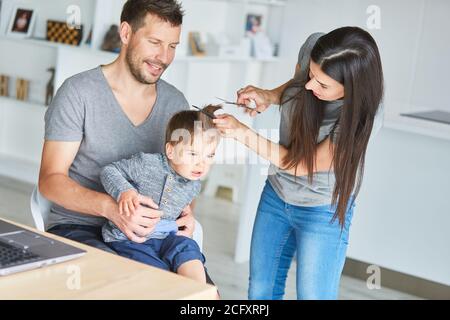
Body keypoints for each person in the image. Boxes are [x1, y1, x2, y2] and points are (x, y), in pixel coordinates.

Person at [39, 0, 214, 284]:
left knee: (202, 294)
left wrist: (185, 214)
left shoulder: (176, 104)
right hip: (79, 228)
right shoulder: (78, 93)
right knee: (139, 287)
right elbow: (50, 180)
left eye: (172, 46)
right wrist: (112, 208)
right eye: (155, 42)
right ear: (125, 33)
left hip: (152, 235)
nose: (164, 57)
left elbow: (182, 178)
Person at [213, 27, 384, 299]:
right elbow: (296, 84)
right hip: (277, 195)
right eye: (311, 74)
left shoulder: (364, 118)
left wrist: (241, 133)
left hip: (322, 210)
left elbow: (301, 164)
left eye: (322, 85)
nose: (309, 86)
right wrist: (269, 95)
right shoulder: (316, 48)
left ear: (351, 88)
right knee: (261, 291)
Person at [100, 105, 221, 283]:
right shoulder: (147, 164)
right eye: (193, 153)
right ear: (170, 150)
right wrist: (125, 191)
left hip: (167, 237)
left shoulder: (194, 183)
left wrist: (187, 215)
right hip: (130, 238)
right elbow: (109, 171)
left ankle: (197, 292)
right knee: (156, 271)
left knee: (188, 247)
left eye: (209, 156)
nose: (201, 164)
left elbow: (183, 208)